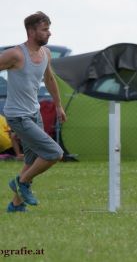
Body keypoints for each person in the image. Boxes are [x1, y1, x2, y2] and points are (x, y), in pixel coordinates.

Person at [0, 11, 67, 212]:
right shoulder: (15, 54)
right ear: (31, 31)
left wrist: (58, 106)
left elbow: (49, 79)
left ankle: (16, 205)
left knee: (31, 160)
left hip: (34, 113)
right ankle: (21, 182)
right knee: (54, 152)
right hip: (17, 116)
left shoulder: (45, 53)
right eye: (45, 29)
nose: (49, 33)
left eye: (49, 29)